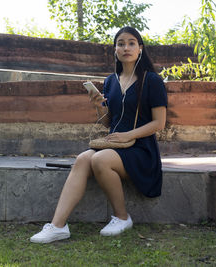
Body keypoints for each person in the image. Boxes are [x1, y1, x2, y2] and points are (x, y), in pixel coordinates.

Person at [30, 26, 168, 244]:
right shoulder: (111, 81)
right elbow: (109, 122)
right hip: (114, 145)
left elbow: (159, 123)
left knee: (99, 159)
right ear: (115, 50)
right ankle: (57, 226)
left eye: (131, 43)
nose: (126, 48)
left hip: (141, 150)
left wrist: (127, 135)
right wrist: (98, 107)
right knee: (83, 158)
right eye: (121, 43)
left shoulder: (152, 81)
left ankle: (122, 218)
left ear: (140, 49)